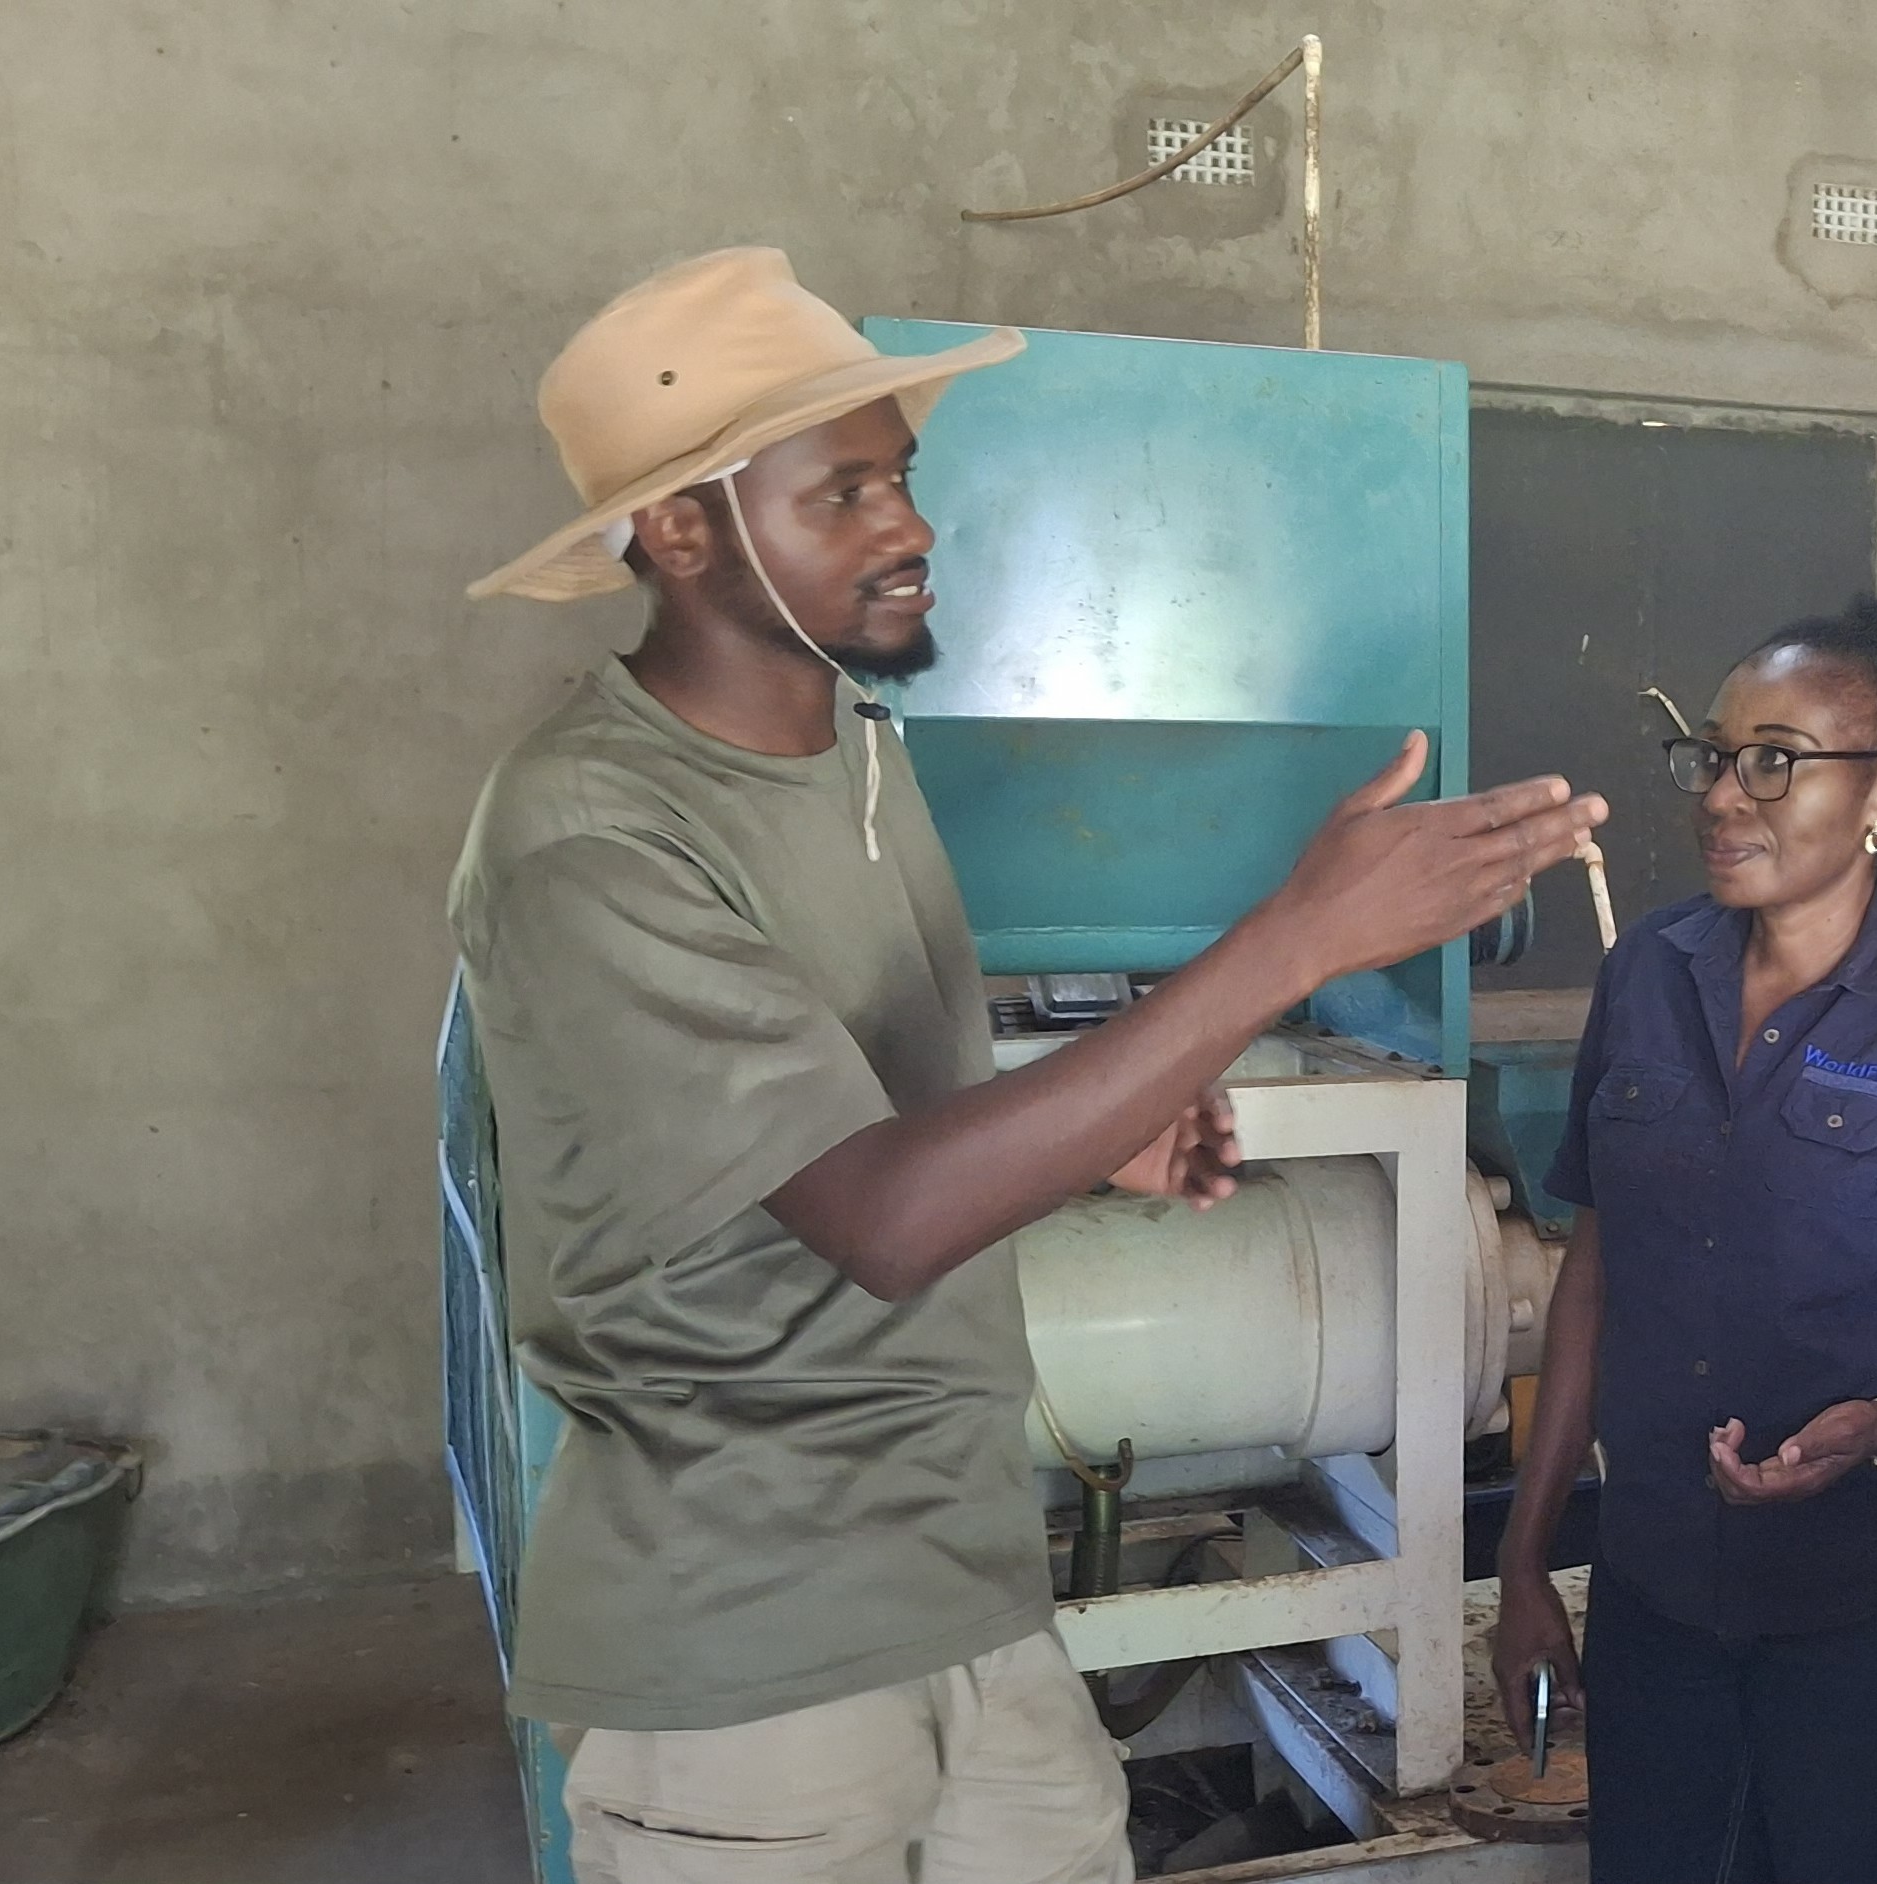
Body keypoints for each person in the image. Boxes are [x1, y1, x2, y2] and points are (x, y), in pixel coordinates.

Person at [448, 248, 1609, 1884]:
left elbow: (869, 1117)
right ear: (682, 531)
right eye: (842, 492)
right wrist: (1294, 938)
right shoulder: (592, 833)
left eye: (902, 478)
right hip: (749, 1635)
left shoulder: (856, 757)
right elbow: (881, 1215)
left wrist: (1099, 1135)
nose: (908, 525)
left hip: (961, 1581)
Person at [1489, 591, 1877, 1884]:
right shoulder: (1648, 973)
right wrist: (1525, 1556)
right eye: (1716, 756)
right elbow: (1596, 1274)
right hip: (1665, 1581)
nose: (1726, 796)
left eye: (1776, 762)